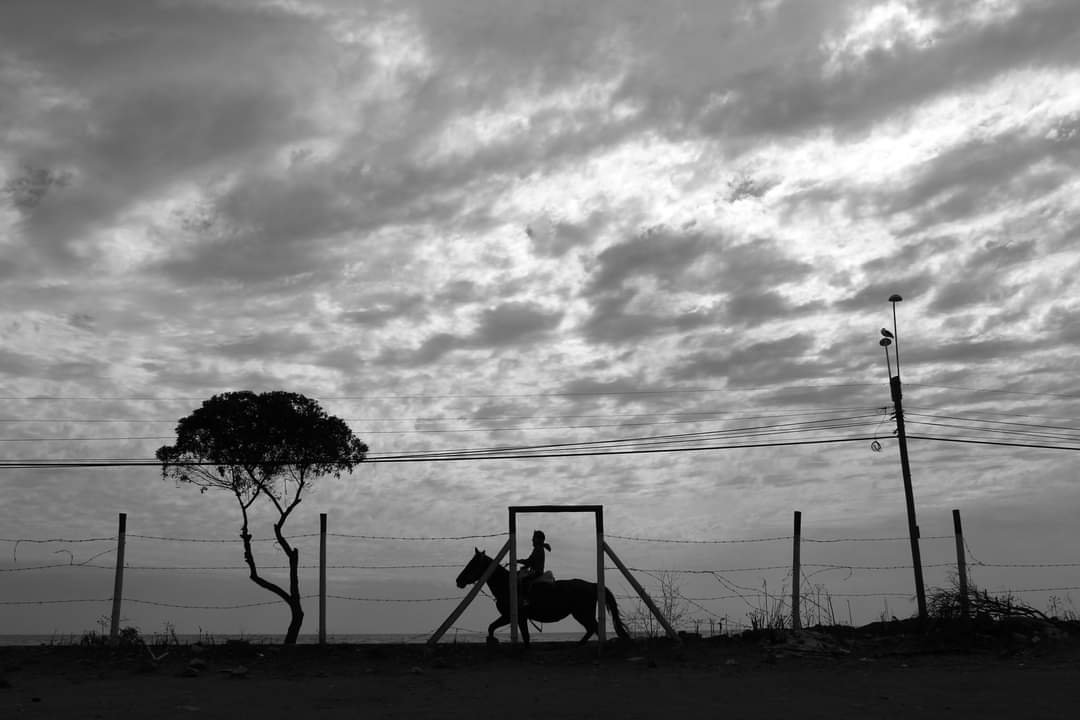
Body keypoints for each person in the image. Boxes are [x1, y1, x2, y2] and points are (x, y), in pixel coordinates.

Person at [516, 530, 551, 606]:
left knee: (523, 580)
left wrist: (517, 561)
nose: (532, 540)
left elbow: (529, 561)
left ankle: (525, 600)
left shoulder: (538, 549)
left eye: (533, 538)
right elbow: (531, 562)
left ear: (538, 539)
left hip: (536, 572)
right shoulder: (539, 548)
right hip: (536, 571)